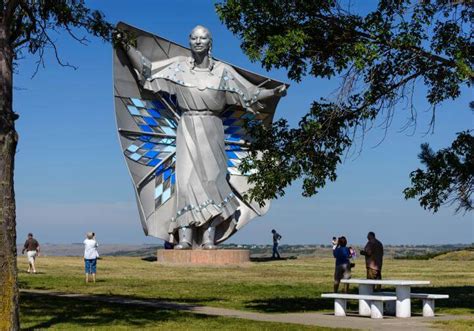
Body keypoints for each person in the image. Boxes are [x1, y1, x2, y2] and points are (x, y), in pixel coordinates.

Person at [124, 25, 286, 249]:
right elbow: (148, 71)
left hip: (214, 128)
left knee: (213, 180)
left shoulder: (223, 72)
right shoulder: (178, 68)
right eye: (194, 38)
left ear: (210, 43)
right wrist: (127, 45)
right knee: (186, 181)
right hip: (187, 126)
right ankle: (186, 237)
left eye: (203, 38)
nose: (198, 41)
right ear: (189, 41)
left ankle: (209, 237)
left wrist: (272, 92)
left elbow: (249, 94)